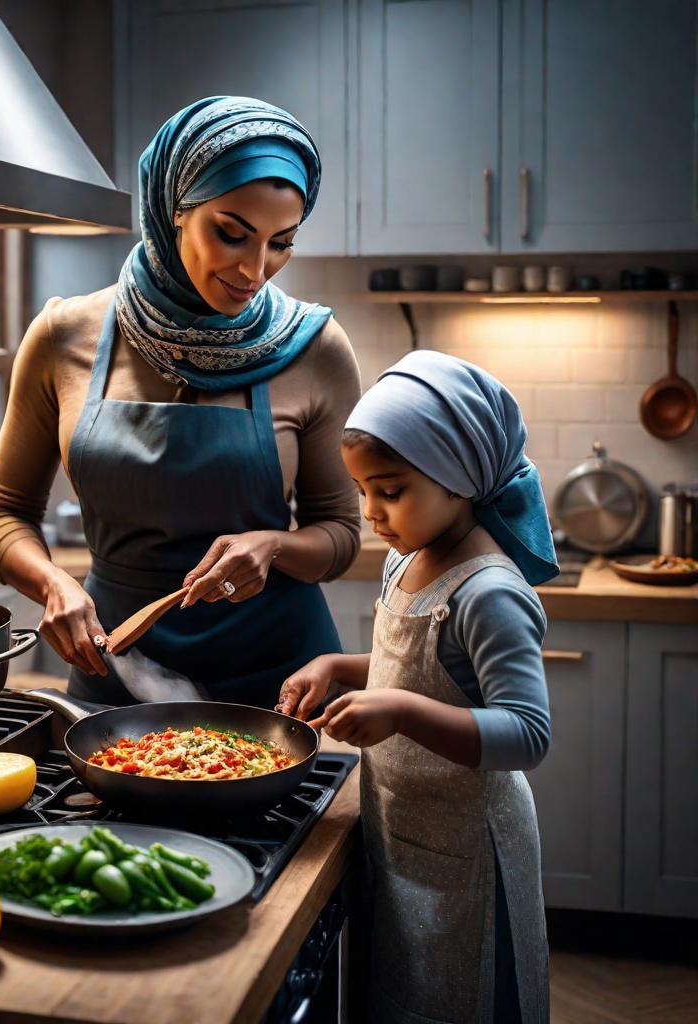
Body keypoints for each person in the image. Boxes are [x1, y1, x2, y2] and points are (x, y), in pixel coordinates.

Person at [0, 96, 361, 707]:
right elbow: (2, 514)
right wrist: (53, 584)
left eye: (281, 243)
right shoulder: (62, 335)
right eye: (231, 234)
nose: (256, 269)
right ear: (173, 209)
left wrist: (275, 545)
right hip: (116, 668)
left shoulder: (314, 348)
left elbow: (340, 533)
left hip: (280, 685)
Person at [278, 350, 557, 1023]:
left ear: (459, 478)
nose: (371, 511)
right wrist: (338, 667)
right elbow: (419, 670)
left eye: (391, 490)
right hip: (403, 829)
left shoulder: (489, 591)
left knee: (464, 1000)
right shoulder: (406, 558)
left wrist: (398, 710)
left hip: (470, 851)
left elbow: (527, 733)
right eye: (363, 489)